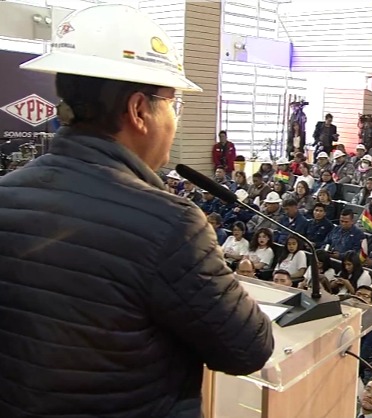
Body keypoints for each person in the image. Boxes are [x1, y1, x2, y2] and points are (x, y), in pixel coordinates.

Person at [0, 6, 274, 417]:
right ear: (139, 110)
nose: (175, 119)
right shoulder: (169, 224)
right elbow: (248, 348)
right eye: (174, 104)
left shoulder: (6, 194)